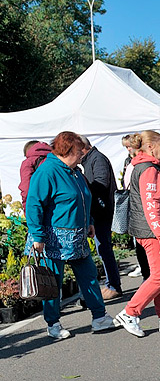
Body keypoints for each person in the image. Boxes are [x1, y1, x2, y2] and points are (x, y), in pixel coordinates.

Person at [24, 131, 116, 340]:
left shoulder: (74, 171)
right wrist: (38, 235)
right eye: (78, 151)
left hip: (77, 237)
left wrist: (89, 221)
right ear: (67, 151)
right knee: (52, 284)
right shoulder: (47, 171)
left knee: (89, 276)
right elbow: (34, 204)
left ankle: (99, 317)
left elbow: (84, 198)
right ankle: (53, 324)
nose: (82, 154)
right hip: (53, 238)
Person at [114, 130, 160, 337]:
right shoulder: (149, 169)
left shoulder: (147, 166)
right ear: (150, 146)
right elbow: (150, 205)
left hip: (154, 230)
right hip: (154, 232)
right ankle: (130, 313)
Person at [79, 136, 122, 300]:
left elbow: (101, 183)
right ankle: (112, 283)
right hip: (99, 211)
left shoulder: (97, 159)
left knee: (104, 248)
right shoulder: (92, 159)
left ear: (83, 147)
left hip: (102, 212)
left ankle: (114, 285)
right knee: (102, 248)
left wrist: (84, 190)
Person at [121, 134, 150, 280]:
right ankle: (147, 275)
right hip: (140, 208)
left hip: (137, 208)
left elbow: (126, 185)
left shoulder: (133, 164)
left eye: (128, 146)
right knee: (142, 244)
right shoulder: (136, 164)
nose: (127, 149)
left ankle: (147, 275)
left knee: (141, 243)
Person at [19, 140, 52, 206]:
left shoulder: (28, 162)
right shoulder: (55, 160)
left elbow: (26, 188)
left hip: (41, 203)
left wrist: (27, 209)